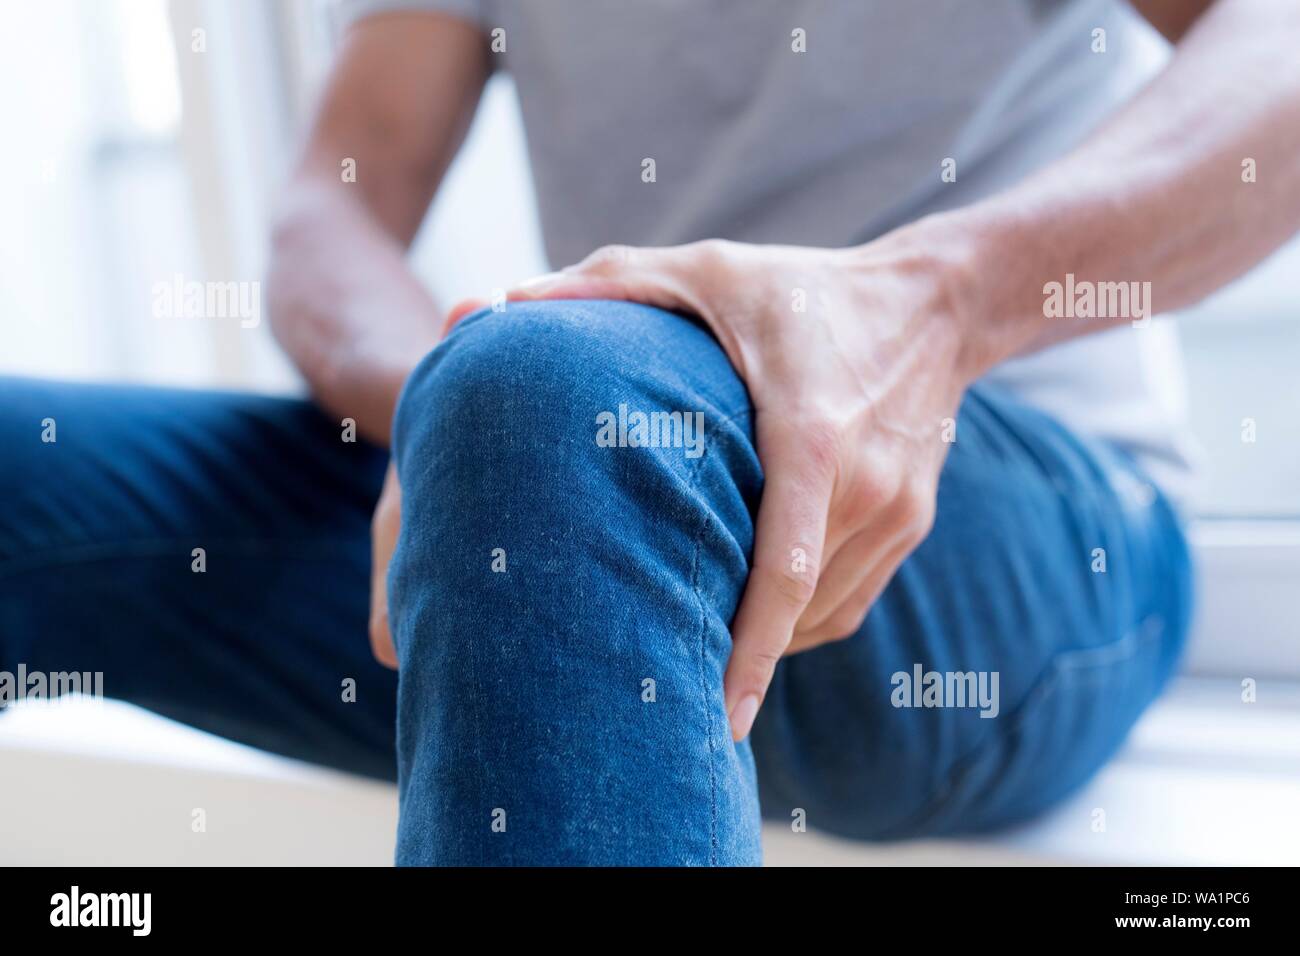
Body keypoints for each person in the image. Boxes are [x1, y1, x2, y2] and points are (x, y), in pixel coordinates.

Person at [3, 0, 1298, 865]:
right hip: (588, 500)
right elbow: (328, 208)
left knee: (557, 409)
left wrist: (929, 304)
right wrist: (447, 405)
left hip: (1007, 509)